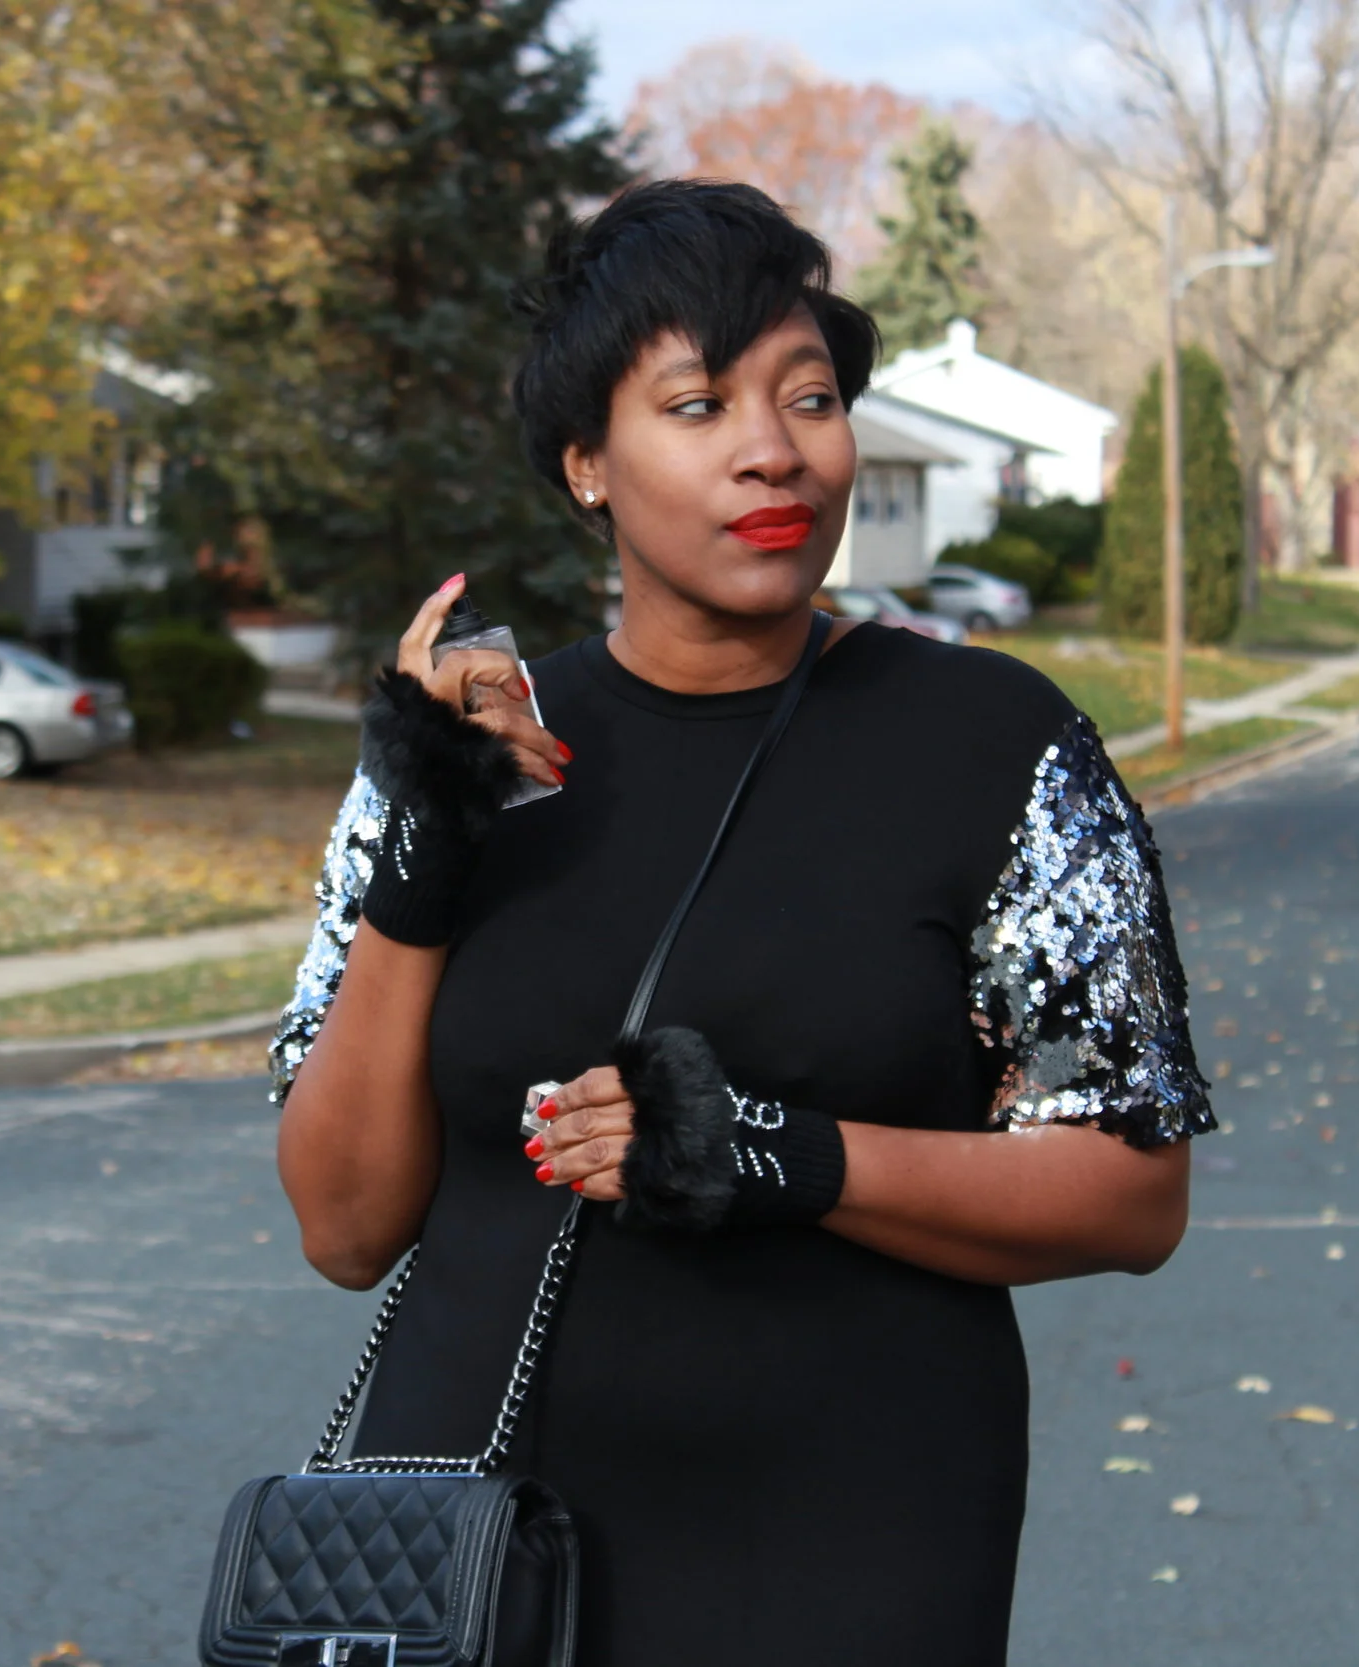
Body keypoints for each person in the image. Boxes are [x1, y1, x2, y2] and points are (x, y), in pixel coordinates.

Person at [268, 179, 1213, 1665]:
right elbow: (343, 1228)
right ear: (587, 464)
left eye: (809, 397)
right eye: (697, 404)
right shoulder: (470, 743)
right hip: (473, 1546)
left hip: (856, 1534)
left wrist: (780, 1154)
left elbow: (1130, 1194)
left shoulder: (997, 745)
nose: (774, 448)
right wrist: (423, 847)